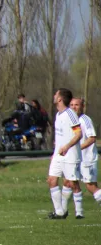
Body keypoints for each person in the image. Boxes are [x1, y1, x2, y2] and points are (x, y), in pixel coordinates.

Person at [47, 88, 82, 219]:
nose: (54, 96)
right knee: (51, 180)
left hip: (70, 155)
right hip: (58, 155)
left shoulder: (70, 114)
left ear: (60, 98)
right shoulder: (58, 114)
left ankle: (77, 212)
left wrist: (67, 146)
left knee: (71, 184)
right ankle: (59, 212)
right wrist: (55, 153)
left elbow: (78, 134)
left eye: (56, 94)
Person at [67, 98, 101, 214]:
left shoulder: (85, 120)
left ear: (82, 107)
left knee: (91, 187)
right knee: (69, 182)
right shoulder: (72, 121)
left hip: (87, 159)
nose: (73, 107)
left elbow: (92, 138)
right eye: (71, 105)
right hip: (77, 159)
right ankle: (67, 212)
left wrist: (77, 148)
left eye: (76, 105)